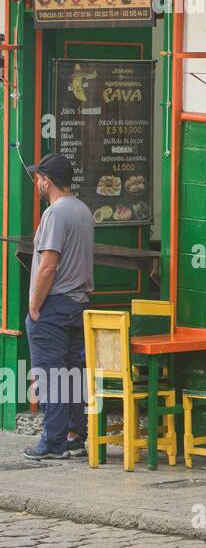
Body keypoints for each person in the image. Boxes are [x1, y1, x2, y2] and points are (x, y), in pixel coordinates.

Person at [22, 153, 95, 460]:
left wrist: (34, 307)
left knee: (51, 375)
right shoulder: (83, 210)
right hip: (79, 304)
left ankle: (52, 443)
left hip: (54, 306)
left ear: (47, 181)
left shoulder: (56, 214)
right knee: (73, 373)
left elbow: (48, 265)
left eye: (39, 178)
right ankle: (75, 438)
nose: (37, 182)